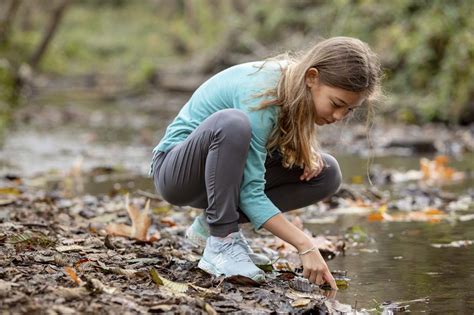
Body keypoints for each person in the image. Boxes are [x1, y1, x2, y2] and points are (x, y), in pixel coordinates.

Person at [149, 36, 382, 289]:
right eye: (336, 104)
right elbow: (250, 191)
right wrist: (305, 245)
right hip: (176, 174)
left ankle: (209, 227)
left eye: (349, 110)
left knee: (327, 173)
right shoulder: (264, 90)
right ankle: (222, 240)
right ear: (312, 77)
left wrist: (305, 153)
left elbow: (254, 168)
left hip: (216, 178)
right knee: (233, 124)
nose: (339, 116)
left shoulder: (297, 91)